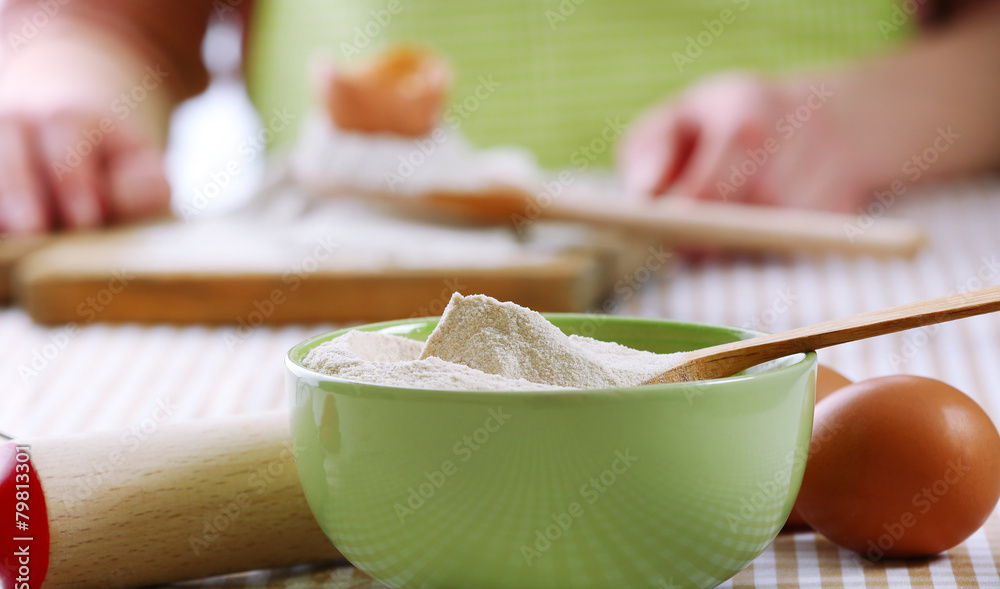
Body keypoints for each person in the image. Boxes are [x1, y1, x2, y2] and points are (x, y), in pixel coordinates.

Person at [0, 0, 997, 235]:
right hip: (326, 281)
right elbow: (113, 21)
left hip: (825, 261)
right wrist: (64, 98)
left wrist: (864, 119)